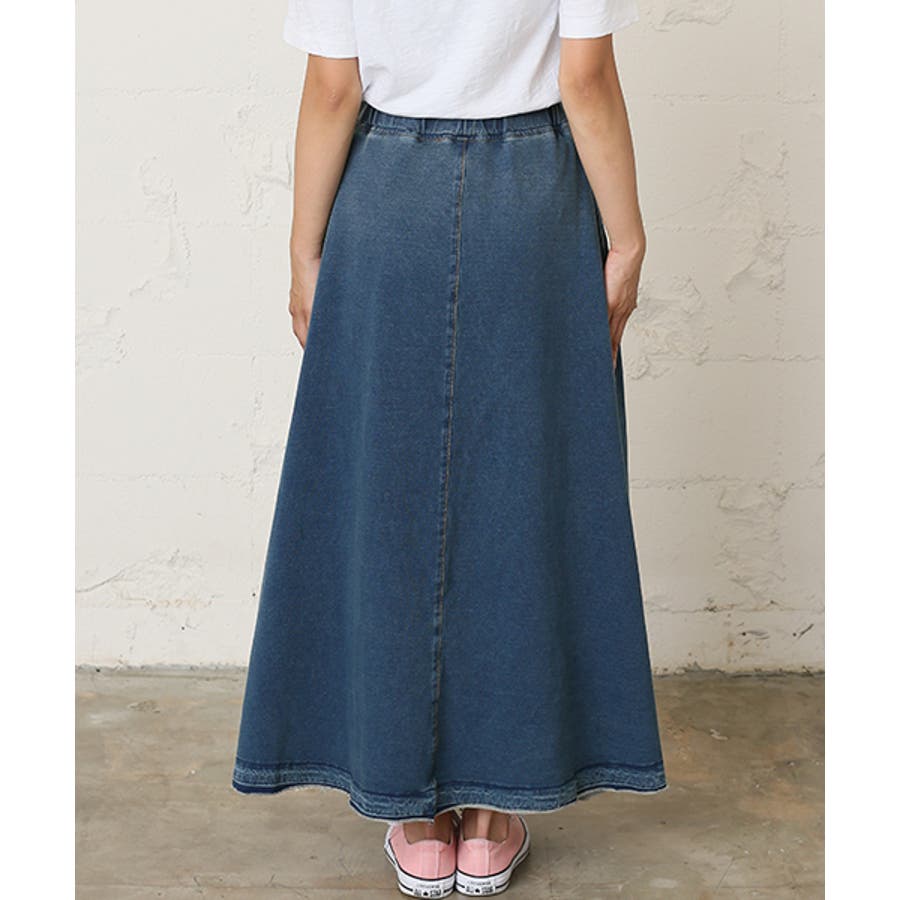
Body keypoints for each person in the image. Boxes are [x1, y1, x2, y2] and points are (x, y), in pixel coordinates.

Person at [232, 1, 667, 896]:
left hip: (388, 198)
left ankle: (414, 811)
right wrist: (626, 238)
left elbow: (333, 88)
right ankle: (497, 803)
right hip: (534, 202)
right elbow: (585, 78)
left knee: (386, 498)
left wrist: (304, 248)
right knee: (521, 495)